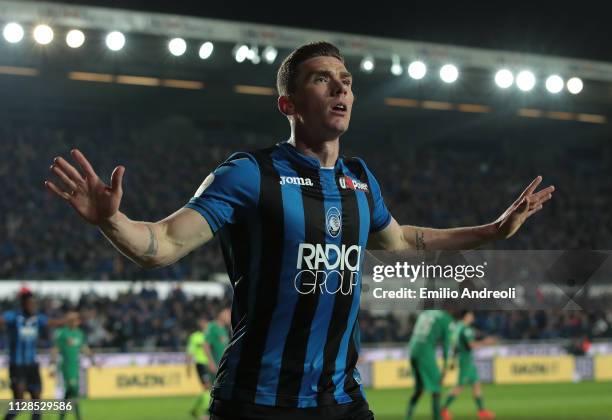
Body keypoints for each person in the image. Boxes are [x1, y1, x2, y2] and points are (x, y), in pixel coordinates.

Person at [45, 41, 554, 419]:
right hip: (257, 400)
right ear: (288, 104)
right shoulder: (249, 173)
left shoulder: (360, 179)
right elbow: (160, 246)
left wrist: (493, 230)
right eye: (322, 79)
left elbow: (400, 240)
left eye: (346, 80)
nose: (341, 88)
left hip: (342, 399)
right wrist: (112, 219)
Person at [0, 289, 65, 420]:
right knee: (19, 403)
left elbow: (51, 322)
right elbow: (2, 320)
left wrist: (69, 319)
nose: (33, 306)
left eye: (34, 304)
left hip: (32, 366)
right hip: (17, 366)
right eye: (30, 304)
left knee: (37, 402)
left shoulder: (38, 318)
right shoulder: (13, 316)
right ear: (23, 304)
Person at [441, 311, 496, 420]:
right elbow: (471, 345)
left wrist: (453, 357)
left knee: (476, 385)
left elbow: (453, 343)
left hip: (466, 359)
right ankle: (442, 409)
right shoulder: (466, 329)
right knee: (459, 386)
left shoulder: (457, 328)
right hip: (465, 360)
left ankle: (481, 411)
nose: (472, 318)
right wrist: (486, 342)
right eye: (471, 316)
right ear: (465, 317)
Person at [405, 310, 453, 420]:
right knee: (436, 386)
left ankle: (407, 417)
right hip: (424, 351)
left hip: (413, 349)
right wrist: (445, 367)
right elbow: (446, 345)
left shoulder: (425, 313)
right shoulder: (447, 319)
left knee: (419, 389)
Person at [51, 311, 96, 420]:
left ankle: (62, 415)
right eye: (76, 320)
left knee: (70, 391)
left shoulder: (79, 333)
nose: (78, 322)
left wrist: (92, 358)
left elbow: (83, 347)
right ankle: (78, 416)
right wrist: (52, 365)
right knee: (73, 388)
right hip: (66, 366)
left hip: (75, 366)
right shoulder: (62, 333)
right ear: (70, 321)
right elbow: (55, 349)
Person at [187, 317, 217, 420]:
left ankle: (195, 409)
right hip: (200, 364)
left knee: (207, 389)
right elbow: (190, 352)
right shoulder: (195, 337)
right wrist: (188, 367)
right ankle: (206, 411)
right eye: (202, 322)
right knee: (208, 387)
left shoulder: (209, 336)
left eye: (205, 322)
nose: (204, 324)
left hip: (210, 364)